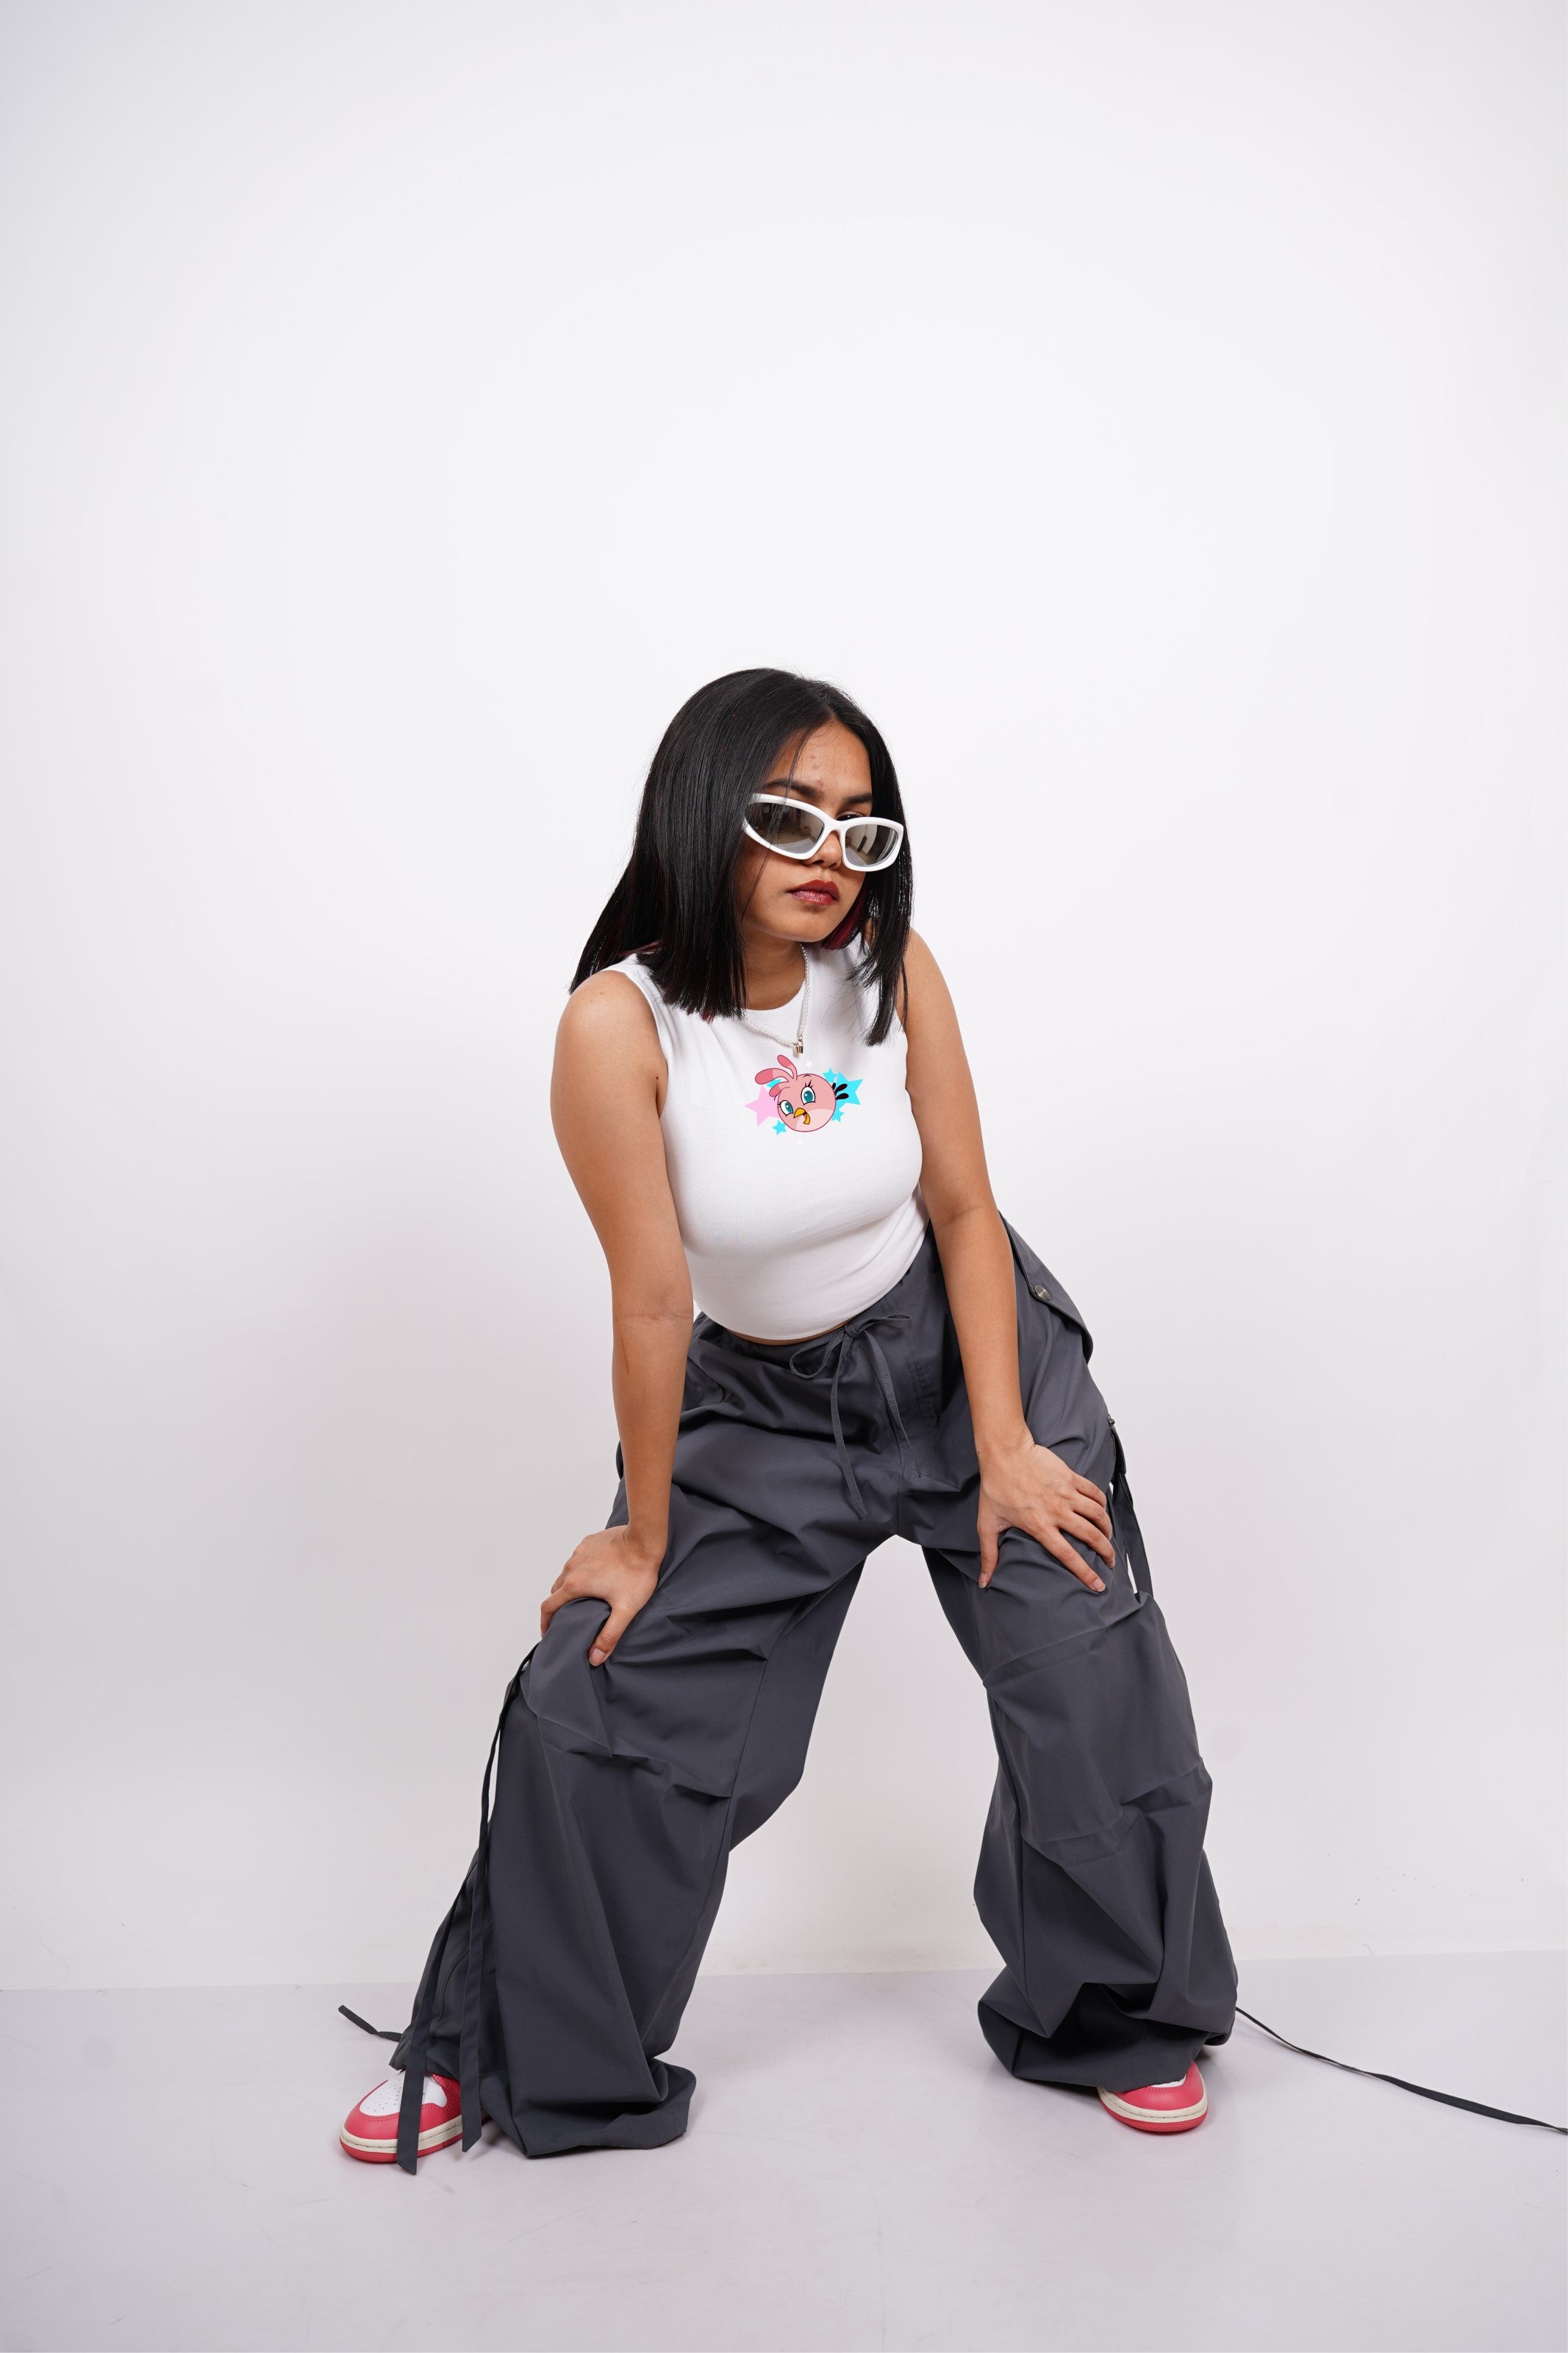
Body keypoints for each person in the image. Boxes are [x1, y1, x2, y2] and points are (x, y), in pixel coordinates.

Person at [337, 668, 1238, 2171]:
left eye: (859, 827)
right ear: (703, 811)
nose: (830, 857)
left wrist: (1005, 1448)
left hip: (969, 1357)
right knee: (597, 1689)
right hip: (760, 1404)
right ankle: (501, 2044)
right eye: (789, 817)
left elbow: (965, 1211)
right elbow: (650, 1304)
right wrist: (642, 1534)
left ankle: (1115, 2014)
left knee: (1082, 1663)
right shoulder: (617, 1026)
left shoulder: (889, 965)